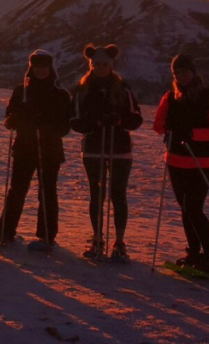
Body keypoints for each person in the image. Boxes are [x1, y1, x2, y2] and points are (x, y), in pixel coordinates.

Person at [153, 54, 209, 274]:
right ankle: (195, 252)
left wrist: (192, 134)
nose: (180, 76)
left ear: (193, 72)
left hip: (201, 162)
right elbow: (158, 125)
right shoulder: (170, 98)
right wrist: (169, 128)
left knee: (192, 208)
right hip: (176, 160)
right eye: (176, 73)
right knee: (186, 209)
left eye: (184, 71)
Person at [0, 50, 72, 251]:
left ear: (50, 69)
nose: (41, 70)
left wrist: (46, 125)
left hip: (49, 149)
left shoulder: (60, 94)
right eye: (37, 67)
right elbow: (10, 115)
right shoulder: (22, 91)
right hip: (25, 147)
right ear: (32, 69)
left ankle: (46, 236)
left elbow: (65, 126)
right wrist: (13, 120)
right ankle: (6, 232)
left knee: (47, 192)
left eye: (44, 67)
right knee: (17, 190)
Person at [69, 44, 143, 262]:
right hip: (94, 147)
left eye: (104, 64)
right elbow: (74, 120)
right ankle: (98, 238)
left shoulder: (122, 88)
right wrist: (95, 123)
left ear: (111, 65)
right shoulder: (82, 90)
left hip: (118, 148)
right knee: (97, 194)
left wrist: (119, 121)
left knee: (118, 194)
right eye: (97, 64)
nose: (100, 68)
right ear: (91, 64)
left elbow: (136, 118)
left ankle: (119, 241)